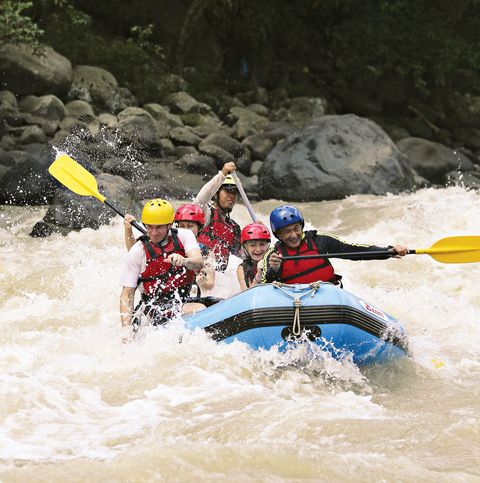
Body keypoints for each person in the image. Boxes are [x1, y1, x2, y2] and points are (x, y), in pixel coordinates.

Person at [120, 199, 204, 341]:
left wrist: (184, 261)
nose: (153, 232)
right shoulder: (137, 251)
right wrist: (126, 330)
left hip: (183, 298)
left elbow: (198, 263)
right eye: (149, 227)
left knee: (218, 303)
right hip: (155, 307)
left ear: (169, 225)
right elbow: (127, 294)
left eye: (158, 227)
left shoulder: (184, 235)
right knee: (199, 309)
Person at [259, 205, 409, 285]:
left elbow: (355, 250)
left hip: (328, 297)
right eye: (287, 232)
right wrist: (274, 270)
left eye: (296, 229)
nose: (293, 235)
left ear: (301, 227)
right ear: (278, 235)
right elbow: (265, 286)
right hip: (295, 304)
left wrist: (389, 251)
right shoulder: (273, 255)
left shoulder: (320, 241)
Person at [194, 161, 242, 271]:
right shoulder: (206, 214)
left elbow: (246, 255)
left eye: (234, 192)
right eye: (228, 191)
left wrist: (258, 236)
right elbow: (201, 199)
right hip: (199, 273)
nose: (231, 196)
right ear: (216, 194)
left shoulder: (234, 228)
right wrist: (223, 174)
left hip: (220, 280)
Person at [236, 222, 271, 290]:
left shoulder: (273, 260)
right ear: (245, 247)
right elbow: (245, 296)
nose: (258, 249)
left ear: (267, 245)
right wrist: (258, 276)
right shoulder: (241, 269)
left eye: (262, 244)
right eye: (252, 245)